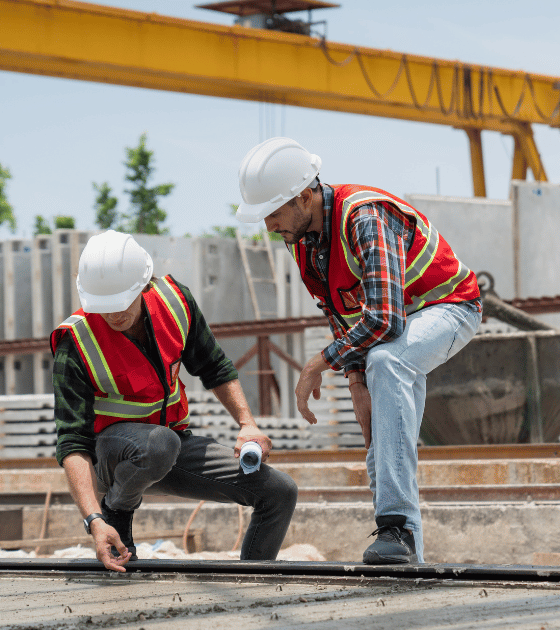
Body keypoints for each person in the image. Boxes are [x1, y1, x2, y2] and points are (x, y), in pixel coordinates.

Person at [235, 137, 482, 564]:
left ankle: (395, 527)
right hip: (396, 326)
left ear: (304, 196)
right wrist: (355, 381)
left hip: (448, 307)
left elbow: (385, 319)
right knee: (380, 428)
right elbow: (340, 310)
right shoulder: (303, 241)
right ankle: (405, 556)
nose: (269, 225)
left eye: (273, 213)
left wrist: (319, 363)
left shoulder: (363, 216)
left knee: (389, 359)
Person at [51, 230, 298, 572]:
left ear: (144, 285)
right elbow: (72, 441)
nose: (114, 315)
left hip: (168, 447)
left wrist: (247, 424)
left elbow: (214, 367)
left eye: (123, 302)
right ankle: (117, 514)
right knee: (159, 443)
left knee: (280, 492)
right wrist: (95, 519)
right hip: (109, 460)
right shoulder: (75, 341)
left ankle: (252, 580)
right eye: (105, 307)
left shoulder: (175, 302)